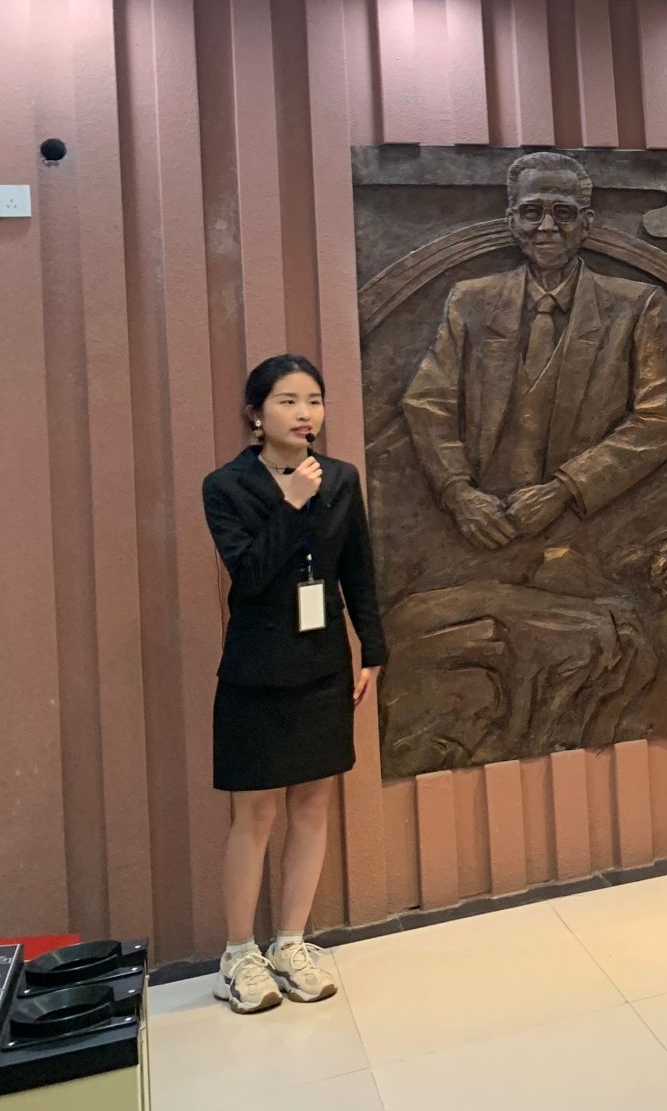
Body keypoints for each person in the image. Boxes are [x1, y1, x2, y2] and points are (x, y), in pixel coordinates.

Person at [201, 355, 387, 1014]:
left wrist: (373, 650)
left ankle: (289, 944)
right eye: (287, 401)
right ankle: (238, 954)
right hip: (256, 671)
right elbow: (250, 575)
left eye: (314, 399)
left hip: (323, 665)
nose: (305, 413)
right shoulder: (225, 486)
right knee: (254, 814)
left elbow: (358, 571)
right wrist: (291, 504)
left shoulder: (341, 477)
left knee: (311, 806)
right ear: (256, 413)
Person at [402, 150, 667, 551]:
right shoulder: (470, 301)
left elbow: (661, 419)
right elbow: (428, 401)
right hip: (480, 529)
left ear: (587, 223)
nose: (547, 227)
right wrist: (459, 494)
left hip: (590, 530)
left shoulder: (637, 305)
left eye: (563, 213)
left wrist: (565, 489)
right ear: (511, 222)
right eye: (532, 212)